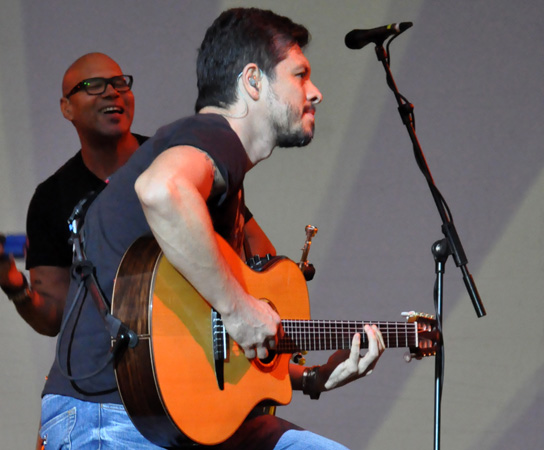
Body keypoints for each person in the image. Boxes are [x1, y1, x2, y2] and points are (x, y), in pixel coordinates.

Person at [40, 8, 385, 450]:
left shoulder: (222, 181)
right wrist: (240, 309)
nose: (315, 93)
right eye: (300, 75)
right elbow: (162, 189)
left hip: (168, 418)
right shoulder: (211, 134)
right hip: (110, 419)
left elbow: (204, 341)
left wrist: (313, 377)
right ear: (253, 81)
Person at [0, 52, 147, 336]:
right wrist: (12, 282)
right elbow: (53, 317)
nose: (113, 92)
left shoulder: (172, 160)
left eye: (119, 83)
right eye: (94, 85)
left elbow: (245, 237)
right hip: (109, 363)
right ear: (67, 108)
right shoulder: (51, 199)